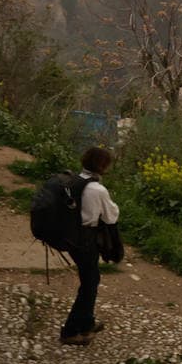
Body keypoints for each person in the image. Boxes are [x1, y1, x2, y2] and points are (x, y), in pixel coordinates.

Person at [60, 146, 120, 346]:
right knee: (89, 285)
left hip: (72, 238)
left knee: (90, 281)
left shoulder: (74, 181)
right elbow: (111, 216)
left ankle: (87, 323)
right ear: (102, 166)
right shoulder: (97, 189)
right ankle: (70, 331)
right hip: (86, 240)